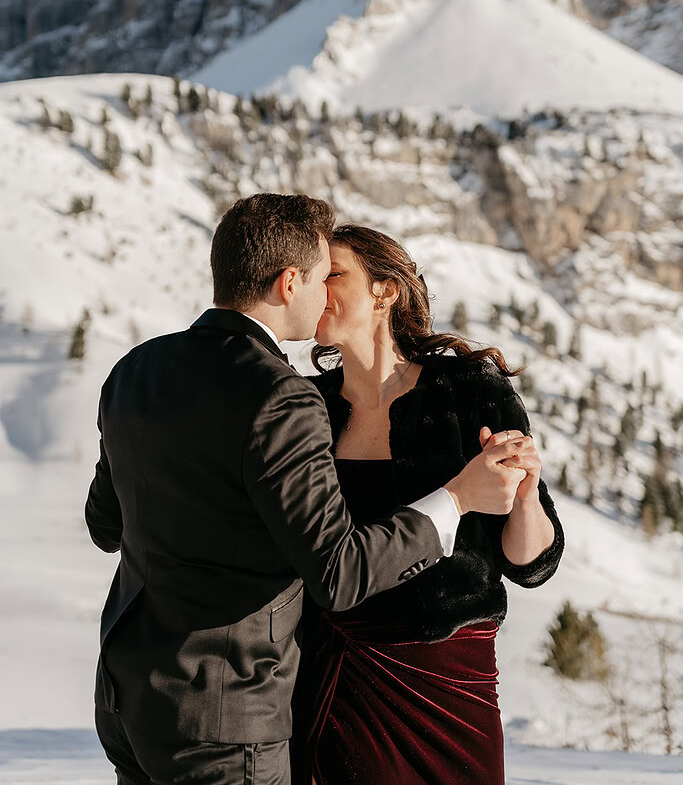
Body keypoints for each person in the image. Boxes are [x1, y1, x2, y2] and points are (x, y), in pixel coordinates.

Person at [84, 193, 527, 785]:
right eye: (322, 277)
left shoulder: (134, 370)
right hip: (226, 713)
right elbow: (338, 574)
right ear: (290, 283)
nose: (324, 294)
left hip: (129, 701)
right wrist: (457, 499)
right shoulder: (284, 397)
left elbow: (106, 526)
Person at [290, 224, 565, 785]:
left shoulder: (468, 390)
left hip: (449, 685)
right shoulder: (306, 408)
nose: (318, 289)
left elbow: (532, 563)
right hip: (335, 672)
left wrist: (525, 492)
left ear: (385, 290)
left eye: (334, 274)